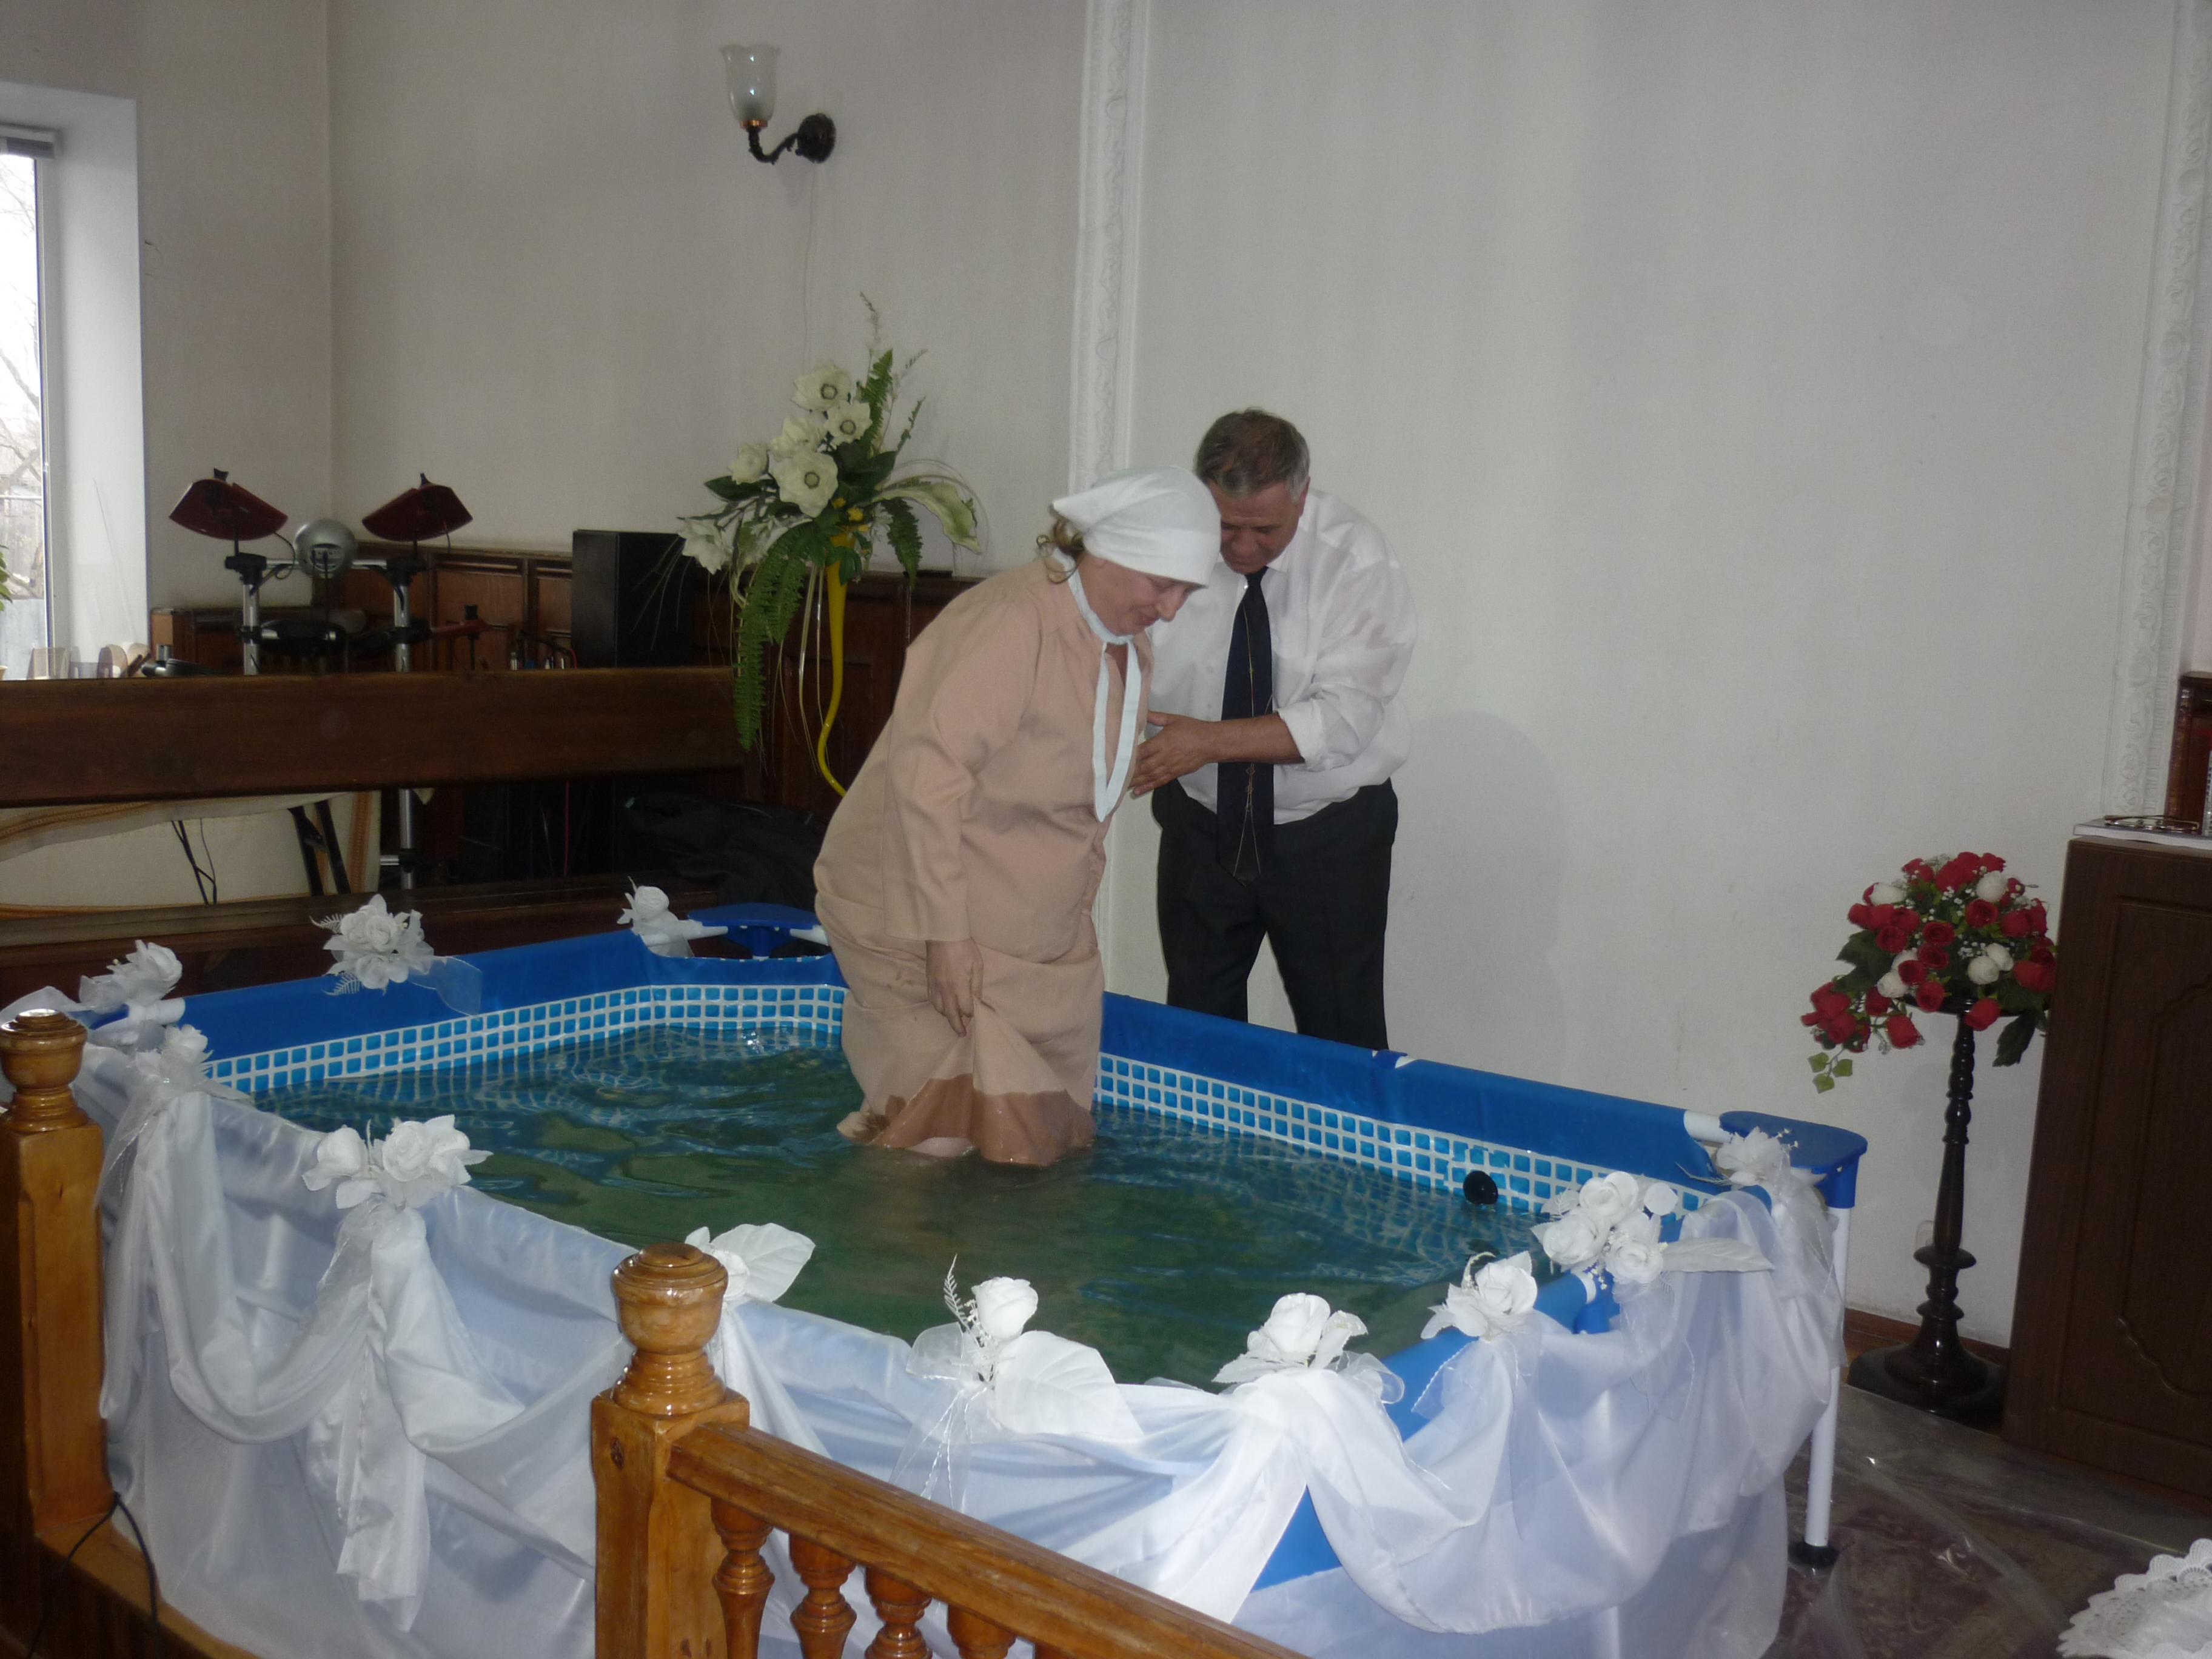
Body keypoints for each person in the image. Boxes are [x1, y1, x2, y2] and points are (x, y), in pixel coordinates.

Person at [814, 468, 1219, 1165]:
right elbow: (926, 785)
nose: (1173, 609)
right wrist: (946, 938)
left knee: (1037, 1145)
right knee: (933, 1135)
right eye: (1162, 584)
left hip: (1026, 935)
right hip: (913, 917)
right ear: (1107, 554)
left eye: (1188, 590)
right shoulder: (1008, 622)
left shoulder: (1123, 643)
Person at [1131, 411, 1416, 1051]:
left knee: (1341, 1036)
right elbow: (1118, 654)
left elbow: (1343, 721)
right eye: (1225, 525)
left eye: (1264, 530)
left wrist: (1205, 742)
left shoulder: (1355, 559)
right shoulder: (1162, 545)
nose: (1241, 548)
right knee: (1198, 1031)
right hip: (1201, 823)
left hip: (1329, 833)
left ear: (1302, 496)